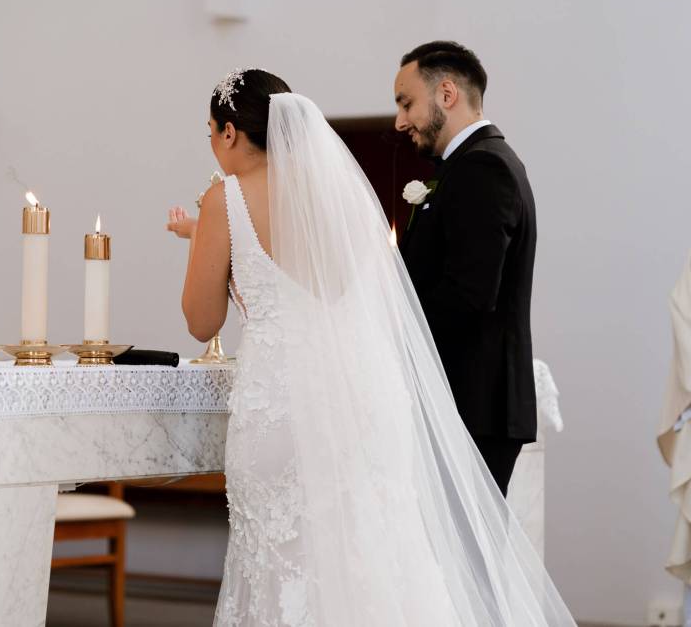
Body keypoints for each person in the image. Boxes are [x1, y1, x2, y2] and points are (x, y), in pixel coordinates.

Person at [166, 68, 574, 625]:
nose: (212, 145)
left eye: (210, 131)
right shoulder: (338, 199)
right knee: (375, 552)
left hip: (281, 407)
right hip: (365, 401)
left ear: (231, 134)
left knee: (281, 560)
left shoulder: (225, 198)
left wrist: (204, 248)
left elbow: (200, 319)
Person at [395, 41, 537, 495]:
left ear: (447, 94)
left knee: (462, 564)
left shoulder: (483, 168)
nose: (400, 121)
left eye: (406, 103)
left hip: (472, 405)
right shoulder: (472, 164)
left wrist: (388, 321)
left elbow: (470, 295)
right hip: (468, 402)